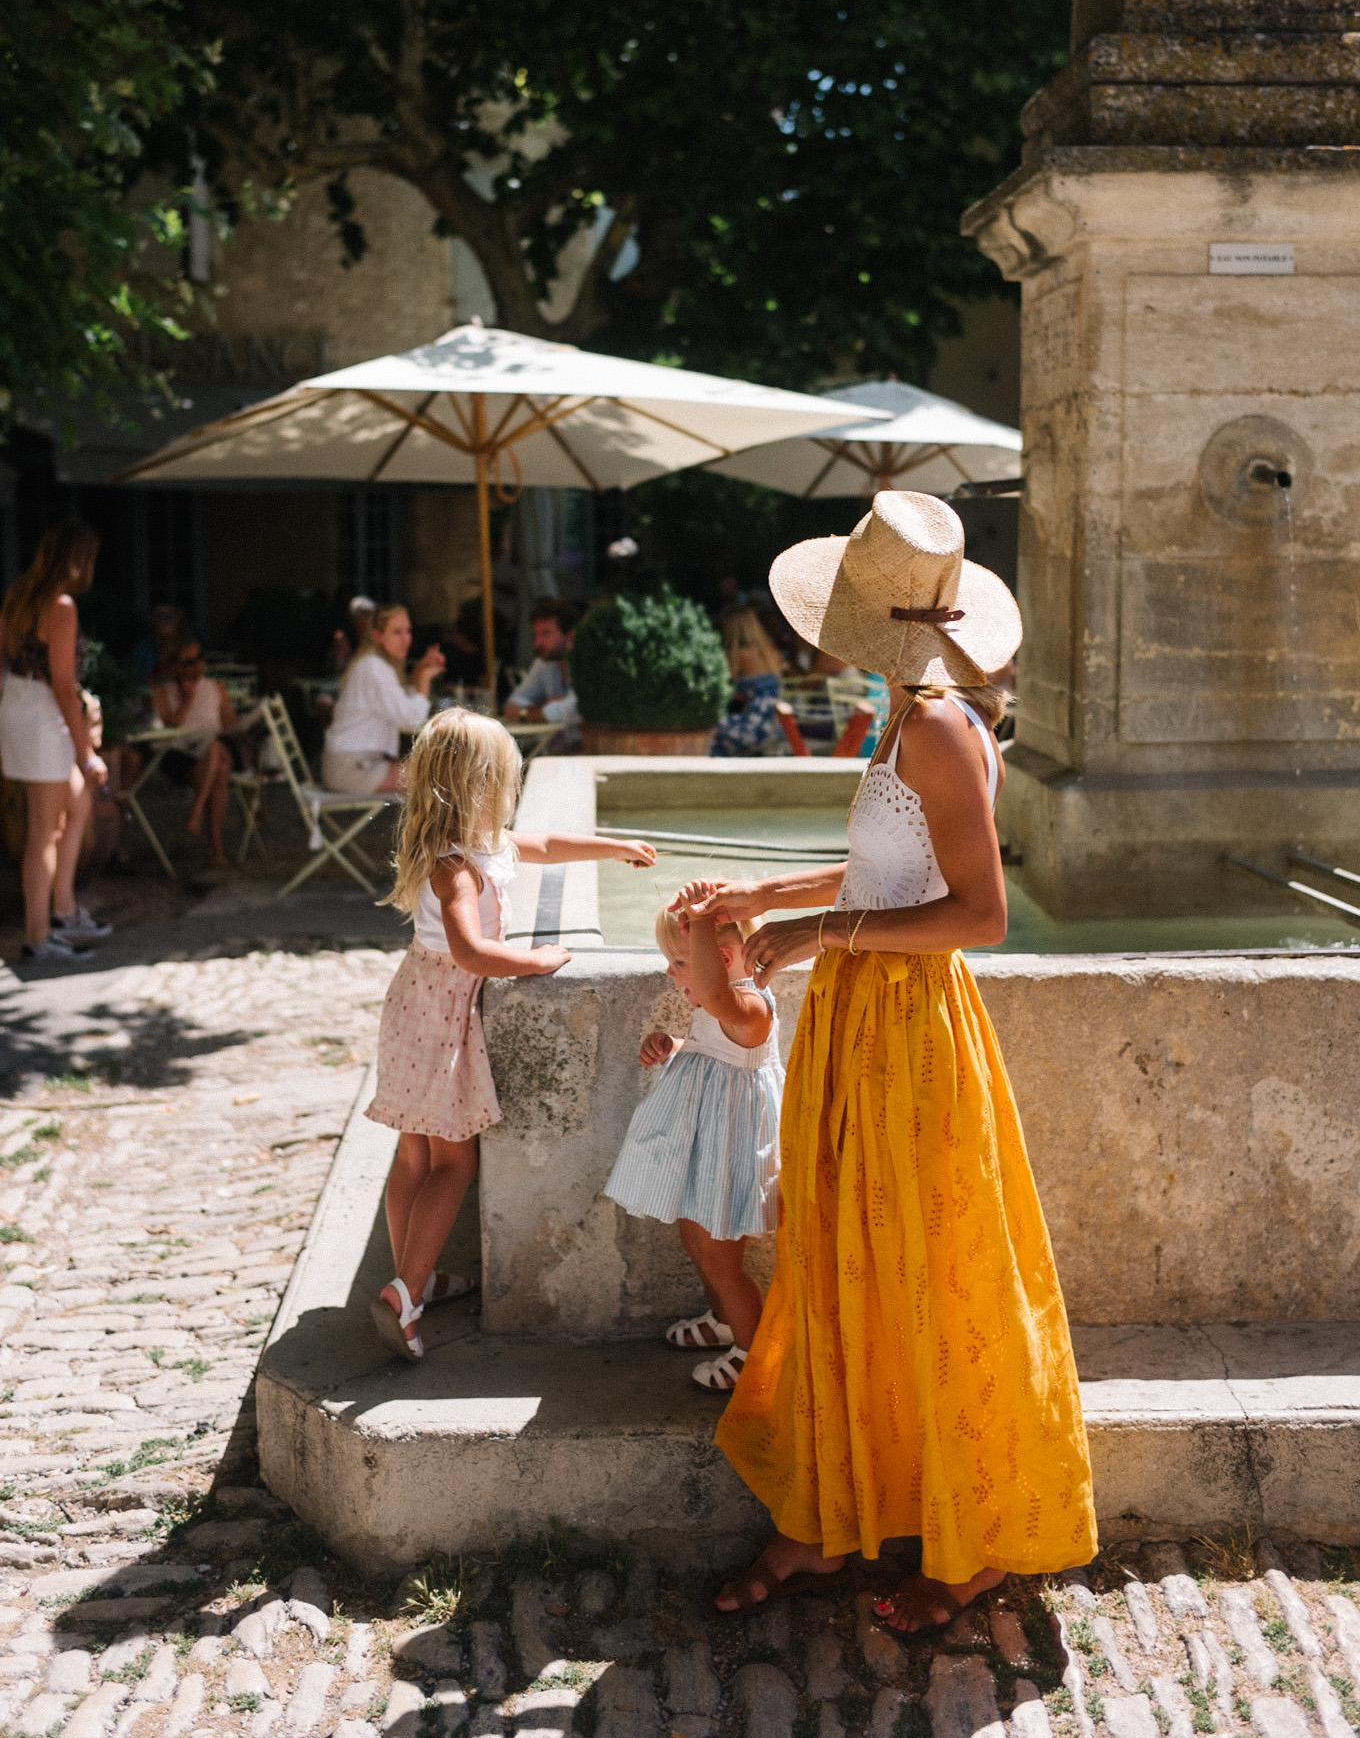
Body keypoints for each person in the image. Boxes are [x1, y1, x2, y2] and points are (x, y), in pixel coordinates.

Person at [685, 491, 1095, 1622]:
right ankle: (828, 1521)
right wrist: (776, 893)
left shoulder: (940, 725)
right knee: (843, 1268)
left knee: (929, 1275)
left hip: (910, 1032)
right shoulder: (903, 713)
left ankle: (972, 1549)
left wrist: (819, 933)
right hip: (864, 1026)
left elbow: (980, 915)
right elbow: (889, 868)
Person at [364, 707, 657, 1360]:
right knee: (452, 1163)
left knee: (413, 1156)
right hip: (444, 1015)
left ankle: (414, 1273)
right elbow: (471, 951)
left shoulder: (476, 846)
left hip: (412, 1005)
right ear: (484, 783)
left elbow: (548, 845)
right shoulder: (457, 868)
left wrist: (614, 846)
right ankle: (406, 1293)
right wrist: (536, 962)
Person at [604, 902, 783, 1393]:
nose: (669, 971)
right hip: (704, 1153)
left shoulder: (751, 1006)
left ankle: (754, 1354)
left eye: (680, 962)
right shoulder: (716, 1010)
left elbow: (729, 1022)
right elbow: (714, 1049)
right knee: (697, 1245)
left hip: (730, 1159)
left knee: (724, 1263)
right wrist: (672, 1045)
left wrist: (700, 923)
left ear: (722, 961)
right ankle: (725, 1323)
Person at [0, 520, 113, 960]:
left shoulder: (17, 598)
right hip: (43, 716)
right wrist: (87, 754)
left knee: (79, 802)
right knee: (42, 833)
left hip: (20, 706)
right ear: (77, 559)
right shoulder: (61, 607)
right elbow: (64, 687)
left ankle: (63, 908)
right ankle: (38, 935)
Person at [322, 605, 445, 794]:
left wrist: (420, 670)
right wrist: (424, 678)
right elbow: (411, 719)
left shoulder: (374, 664)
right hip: (351, 767)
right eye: (397, 632)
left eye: (408, 631)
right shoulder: (374, 667)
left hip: (353, 763)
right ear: (378, 636)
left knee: (440, 771)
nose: (406, 639)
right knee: (440, 774)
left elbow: (400, 704)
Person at [151, 638, 242, 870]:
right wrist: (188, 698)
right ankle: (214, 846)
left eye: (200, 658)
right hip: (180, 755)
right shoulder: (162, 691)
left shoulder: (215, 687)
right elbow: (168, 728)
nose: (197, 666)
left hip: (213, 753)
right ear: (175, 665)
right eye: (189, 661)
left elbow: (231, 724)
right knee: (219, 764)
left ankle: (198, 814)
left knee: (218, 759)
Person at [708, 609, 785, 757]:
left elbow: (739, 702)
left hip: (752, 730)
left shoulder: (740, 654)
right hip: (773, 730)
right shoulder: (769, 650)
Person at [504, 599, 578, 724]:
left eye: (546, 634)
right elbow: (512, 704)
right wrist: (544, 709)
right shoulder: (544, 663)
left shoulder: (587, 663)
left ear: (570, 636)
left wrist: (529, 712)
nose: (537, 643)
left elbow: (573, 709)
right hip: (554, 742)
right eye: (536, 635)